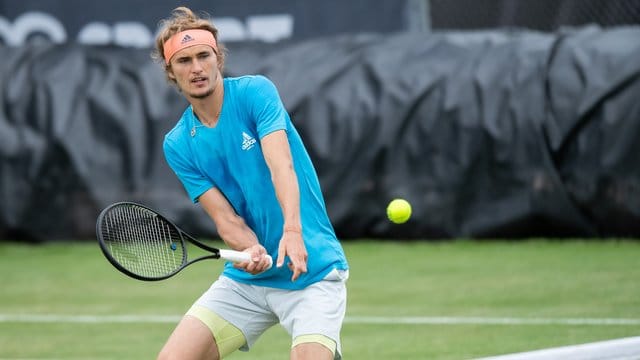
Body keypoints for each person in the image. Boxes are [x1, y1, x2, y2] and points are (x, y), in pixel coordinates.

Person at [152, 7, 349, 360]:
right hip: (248, 283)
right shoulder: (178, 143)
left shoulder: (256, 93)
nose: (196, 68)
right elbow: (225, 218)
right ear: (171, 71)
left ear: (218, 58)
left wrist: (292, 230)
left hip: (313, 270)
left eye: (203, 56)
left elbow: (281, 165)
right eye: (184, 61)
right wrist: (250, 249)